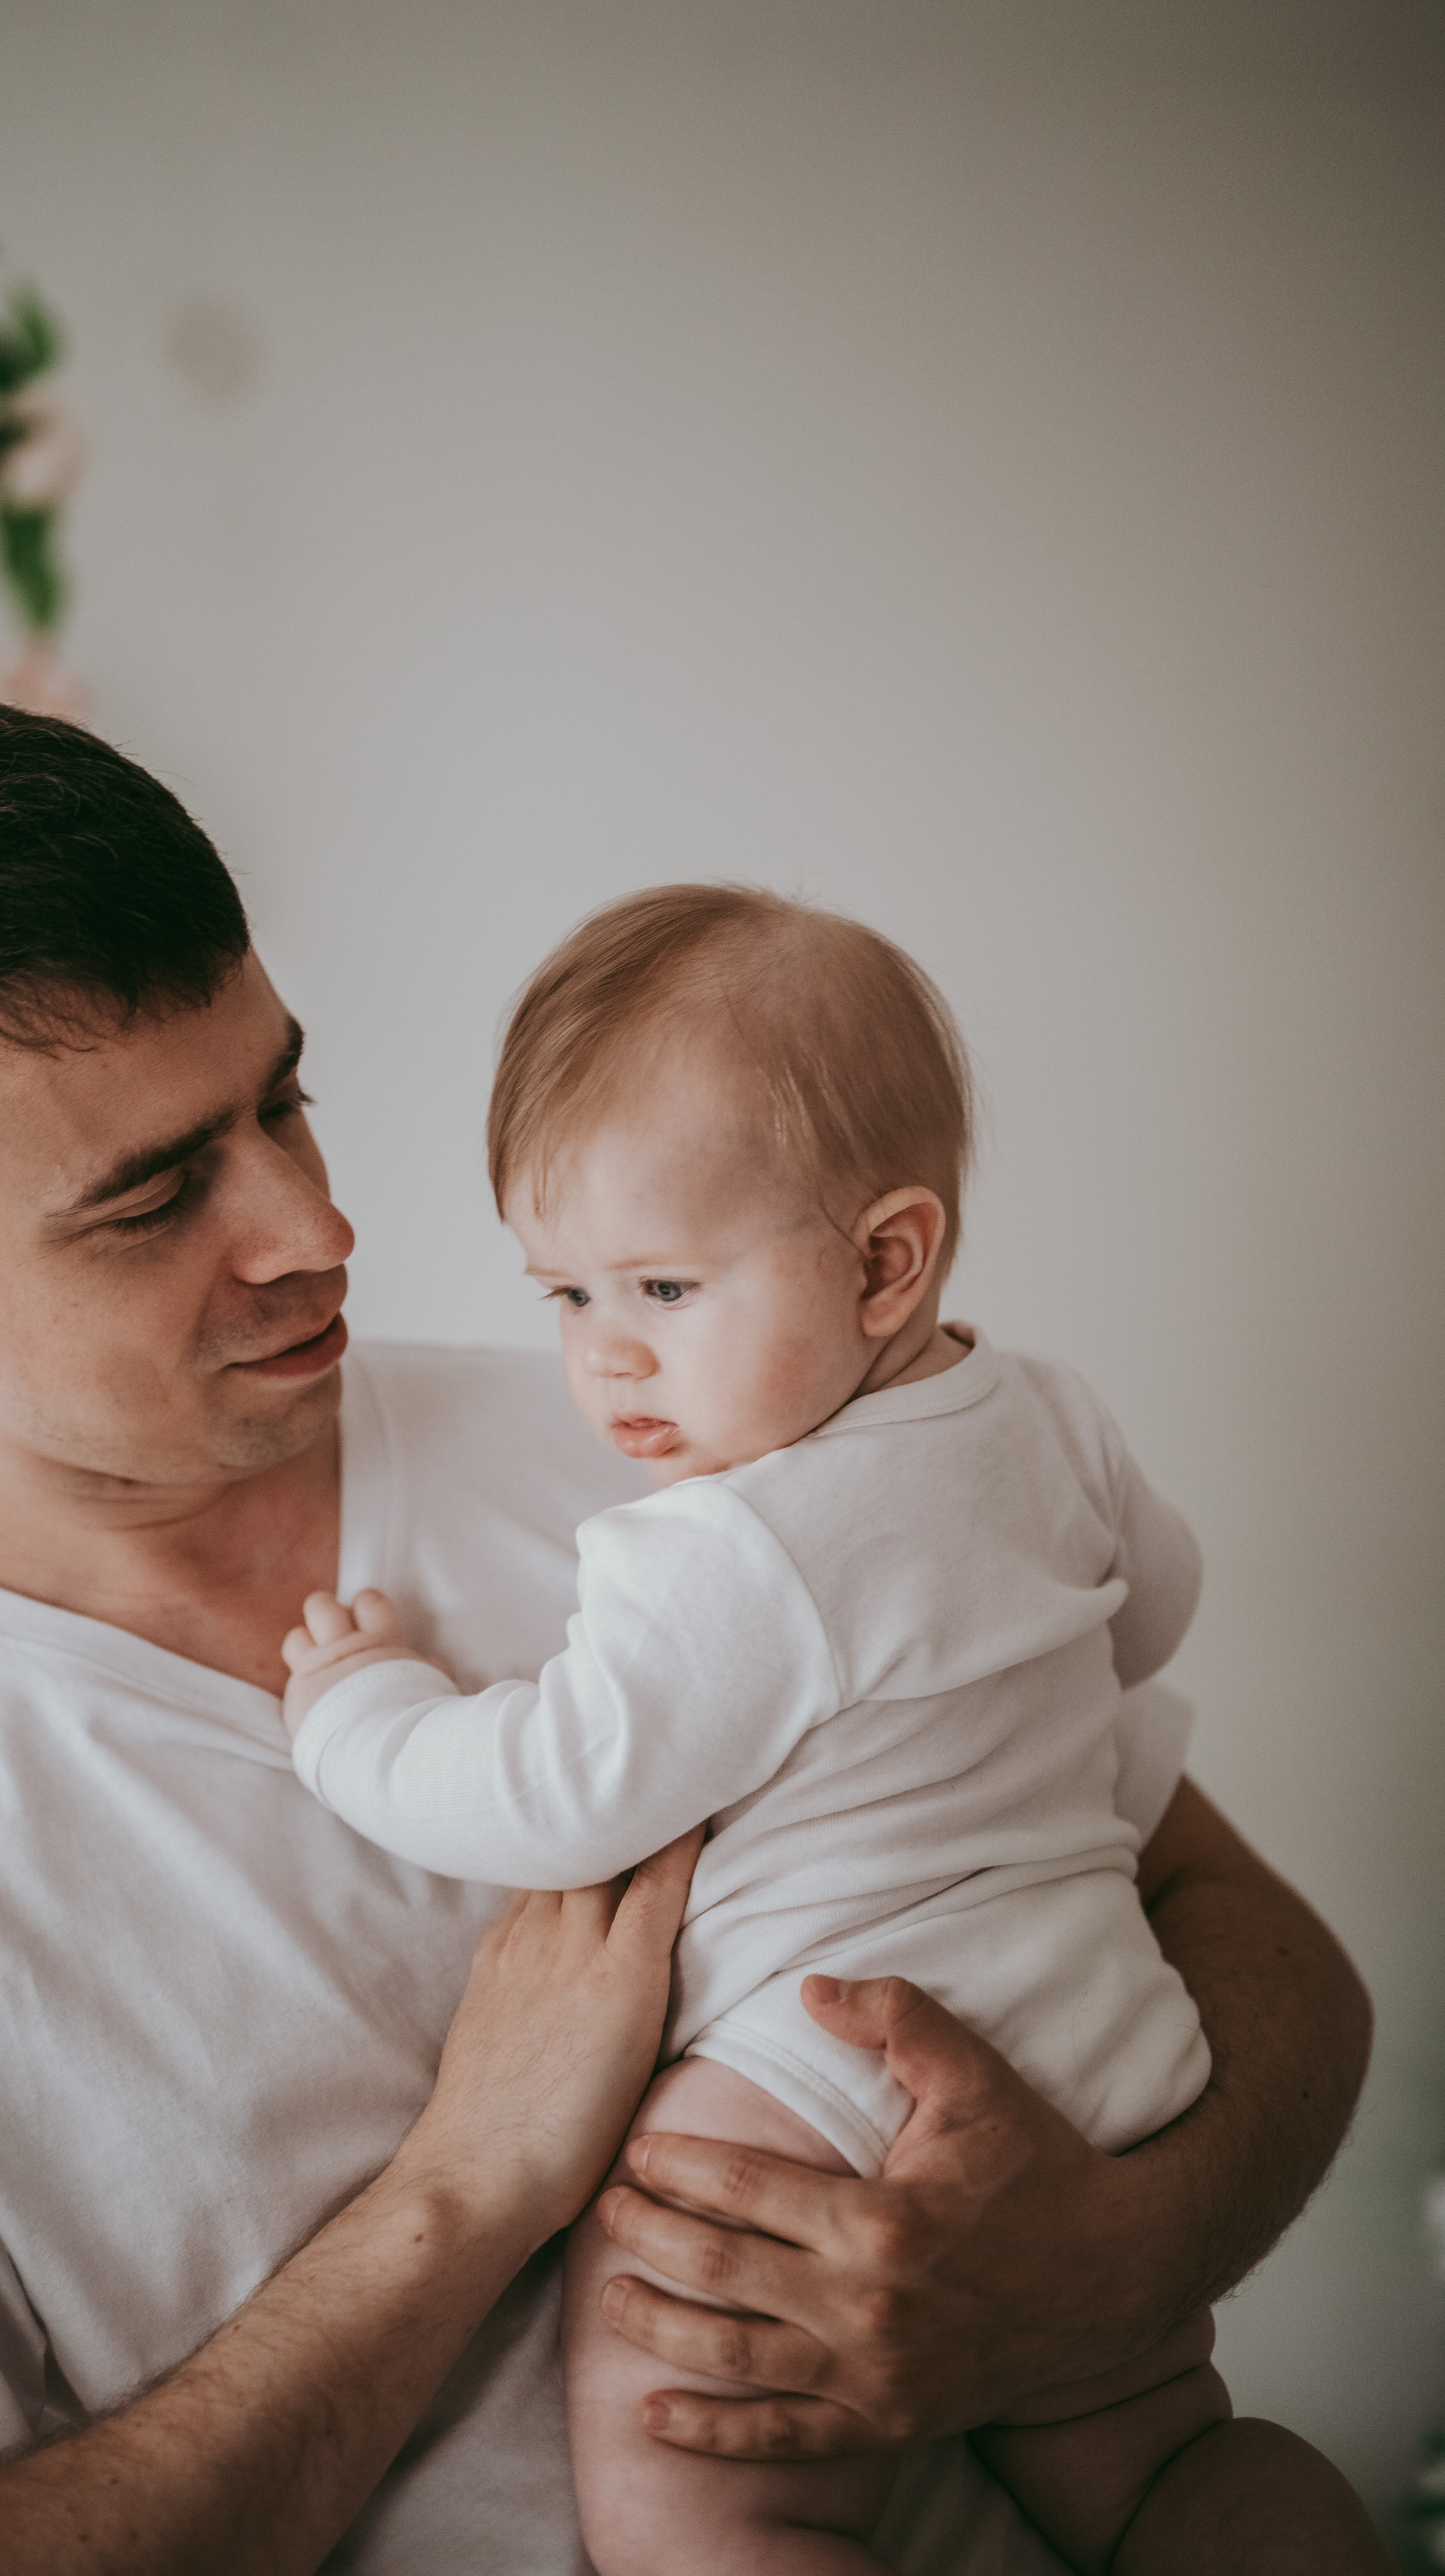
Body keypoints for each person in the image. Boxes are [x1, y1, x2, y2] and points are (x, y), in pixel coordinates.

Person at [0, 702, 1376, 2576]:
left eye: (283, 1101)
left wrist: (1115, 2261)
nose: (317, 1225)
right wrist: (461, 2189)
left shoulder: (714, 1437)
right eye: (158, 1194)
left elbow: (1237, 1932)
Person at [277, 884, 1378, 2573]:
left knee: (692, 2493)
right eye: (564, 1294)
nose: (606, 1360)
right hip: (1105, 2033)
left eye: (661, 1284)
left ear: (882, 1261)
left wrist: (359, 1707)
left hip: (830, 2075)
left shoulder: (722, 1547)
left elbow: (555, 1792)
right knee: (1166, 2456)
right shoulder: (1048, 1410)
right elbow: (1148, 1612)